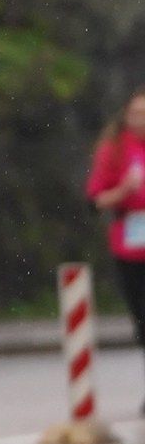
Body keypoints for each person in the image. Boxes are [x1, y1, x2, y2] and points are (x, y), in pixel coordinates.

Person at [86, 87, 145, 380]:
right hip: (131, 244)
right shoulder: (115, 149)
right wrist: (124, 190)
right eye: (136, 114)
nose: (141, 121)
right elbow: (96, 201)